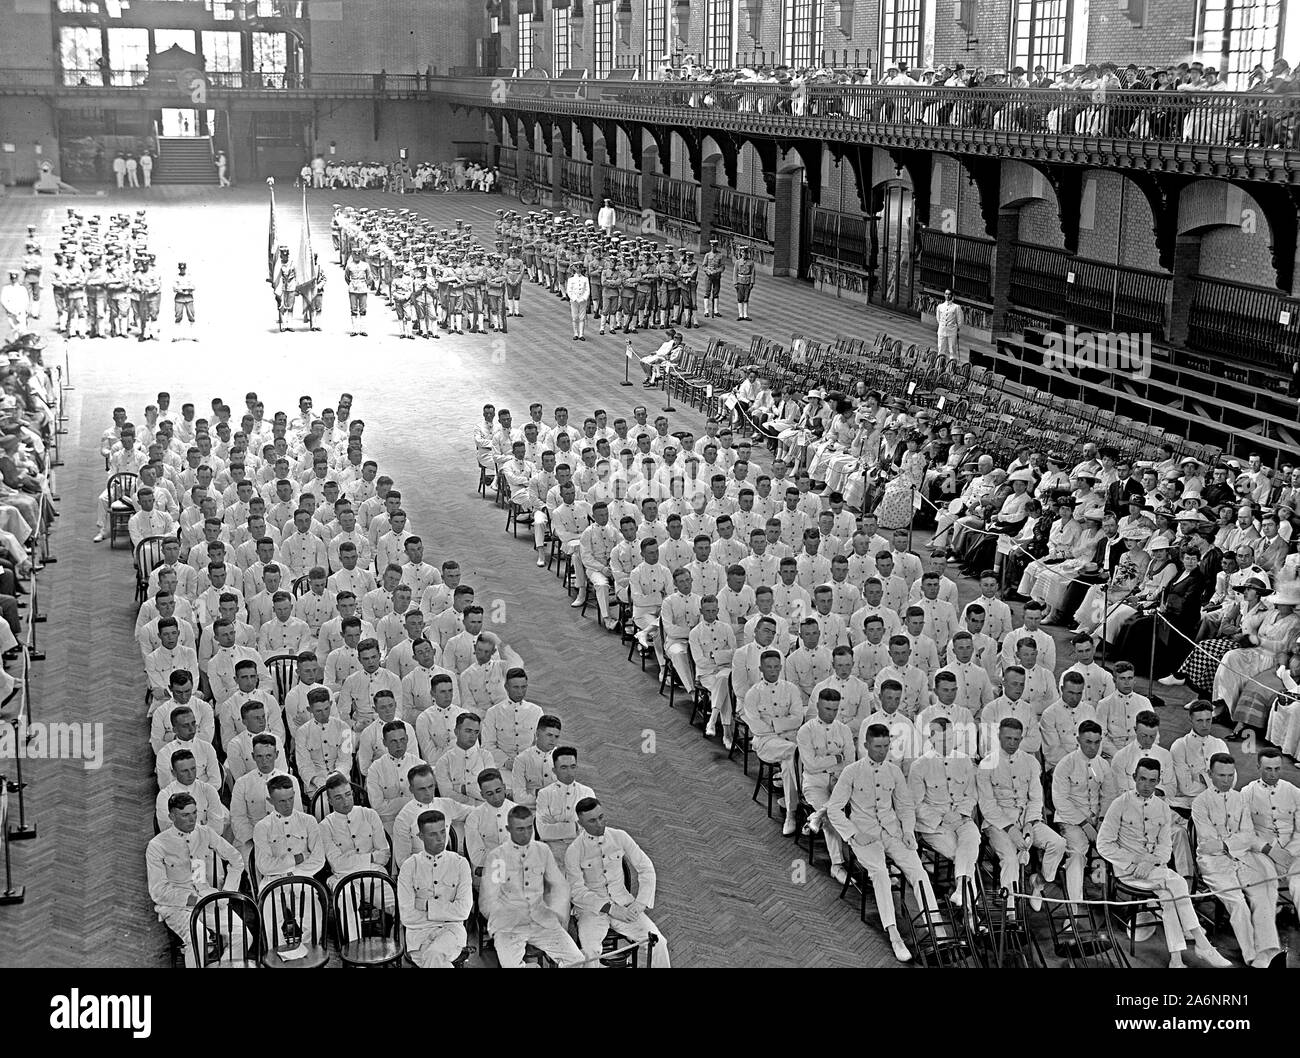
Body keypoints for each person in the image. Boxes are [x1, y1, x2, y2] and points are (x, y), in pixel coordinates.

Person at [1098, 758, 1232, 968]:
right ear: (1134, 777)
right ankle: (1202, 944)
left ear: (1158, 781)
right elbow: (1103, 845)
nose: (1146, 785)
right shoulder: (1120, 804)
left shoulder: (1162, 807)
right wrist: (1136, 861)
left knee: (1169, 897)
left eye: (1152, 781)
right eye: (1142, 779)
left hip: (1155, 871)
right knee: (1177, 882)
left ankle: (1176, 960)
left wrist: (1151, 861)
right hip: (1128, 871)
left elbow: (1165, 848)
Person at [826, 723, 939, 962]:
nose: (882, 751)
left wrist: (907, 831)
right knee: (880, 874)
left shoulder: (894, 771)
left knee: (918, 871)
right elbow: (834, 809)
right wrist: (853, 834)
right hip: (865, 835)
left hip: (893, 833)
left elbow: (905, 805)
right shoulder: (852, 772)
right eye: (877, 746)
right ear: (866, 745)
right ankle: (894, 934)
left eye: (886, 746)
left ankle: (936, 928)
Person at [1191, 753, 1284, 968]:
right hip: (1213, 863)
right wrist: (1234, 841)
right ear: (1210, 774)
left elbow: (1248, 834)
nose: (1226, 780)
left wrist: (1225, 843)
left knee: (1262, 894)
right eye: (1221, 775)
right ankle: (1252, 956)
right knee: (1238, 903)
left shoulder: (1240, 798)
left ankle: (1268, 951)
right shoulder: (1200, 803)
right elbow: (1208, 842)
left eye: (1230, 775)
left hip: (1242, 857)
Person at [565, 797, 670, 967]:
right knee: (590, 953)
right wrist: (611, 909)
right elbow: (576, 891)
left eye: (601, 817)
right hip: (591, 912)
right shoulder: (574, 851)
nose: (599, 824)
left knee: (658, 942)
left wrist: (640, 903)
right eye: (592, 821)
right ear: (580, 823)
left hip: (625, 905)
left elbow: (646, 868)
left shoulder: (620, 837)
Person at [146, 792, 247, 967]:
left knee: (243, 935)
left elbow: (236, 860)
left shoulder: (205, 832)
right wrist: (193, 900)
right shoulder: (157, 845)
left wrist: (226, 893)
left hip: (208, 898)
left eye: (194, 813)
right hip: (177, 906)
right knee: (199, 938)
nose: (192, 819)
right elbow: (158, 891)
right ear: (172, 817)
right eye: (185, 815)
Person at [976, 717, 1065, 909]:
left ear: (1021, 738)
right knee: (1009, 859)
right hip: (998, 824)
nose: (1012, 743)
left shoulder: (1031, 762)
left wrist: (1030, 824)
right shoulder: (986, 765)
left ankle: (1038, 882)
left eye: (1016, 739)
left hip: (1027, 820)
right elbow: (988, 806)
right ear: (999, 736)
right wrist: (1011, 830)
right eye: (1008, 738)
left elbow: (1036, 799)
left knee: (1058, 843)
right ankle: (1010, 910)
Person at [479, 805, 583, 967]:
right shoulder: (498, 857)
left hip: (542, 921)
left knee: (576, 960)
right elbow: (488, 900)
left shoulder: (543, 850)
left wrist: (556, 912)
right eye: (520, 829)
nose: (526, 833)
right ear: (508, 829)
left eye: (529, 827)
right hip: (509, 927)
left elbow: (559, 886)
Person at [397, 809, 473, 968]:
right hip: (418, 936)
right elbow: (407, 916)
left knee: (433, 954)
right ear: (420, 836)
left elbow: (464, 910)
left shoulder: (460, 864)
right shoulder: (409, 866)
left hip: (451, 933)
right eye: (432, 834)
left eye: (442, 832)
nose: (440, 839)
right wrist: (447, 913)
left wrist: (426, 905)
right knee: (433, 956)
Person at [935, 289, 963, 362]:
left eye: (949, 294)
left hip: (952, 331)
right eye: (946, 294)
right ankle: (940, 364)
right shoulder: (940, 306)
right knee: (941, 348)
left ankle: (952, 365)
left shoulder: (956, 307)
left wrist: (956, 328)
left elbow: (960, 320)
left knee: (952, 350)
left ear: (952, 296)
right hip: (942, 330)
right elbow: (938, 318)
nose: (947, 296)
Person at [172, 261, 195, 341]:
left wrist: (184, 289)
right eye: (181, 269)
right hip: (179, 299)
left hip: (189, 298)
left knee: (191, 316)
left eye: (183, 269)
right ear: (179, 269)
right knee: (178, 316)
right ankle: (176, 336)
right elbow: (174, 288)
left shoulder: (189, 276)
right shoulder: (176, 277)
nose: (182, 270)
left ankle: (193, 335)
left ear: (185, 268)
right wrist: (183, 290)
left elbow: (193, 286)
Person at [566, 262, 590, 341]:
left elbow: (587, 290)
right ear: (574, 269)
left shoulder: (585, 279)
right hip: (574, 300)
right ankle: (575, 333)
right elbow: (569, 290)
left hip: (582, 300)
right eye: (577, 268)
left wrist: (584, 298)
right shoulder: (571, 279)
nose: (578, 269)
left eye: (580, 267)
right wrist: (574, 298)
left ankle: (581, 334)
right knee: (574, 317)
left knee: (582, 317)